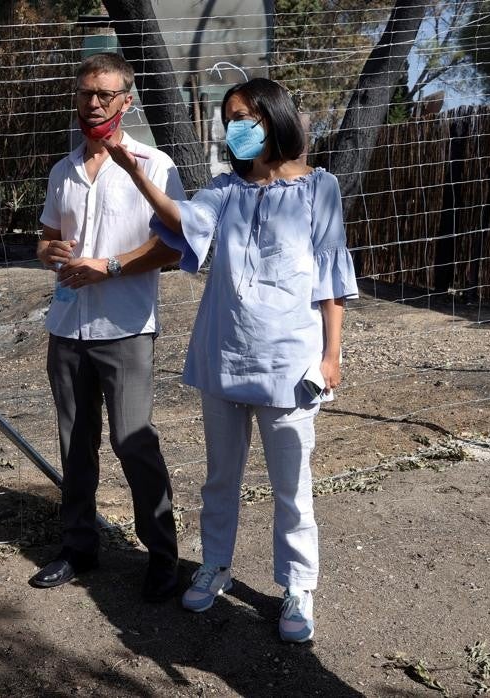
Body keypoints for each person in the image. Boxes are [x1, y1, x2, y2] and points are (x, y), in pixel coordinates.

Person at [105, 77, 358, 642]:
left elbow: (330, 277)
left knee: (292, 486)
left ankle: (297, 586)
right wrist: (136, 174)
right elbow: (180, 219)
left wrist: (332, 354)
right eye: (230, 119)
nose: (235, 127)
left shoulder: (321, 188)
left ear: (274, 118)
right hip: (225, 354)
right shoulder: (225, 189)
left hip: (291, 364)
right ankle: (215, 563)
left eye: (245, 116)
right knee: (221, 478)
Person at [29, 52, 187, 602]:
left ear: (127, 100)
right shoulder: (62, 170)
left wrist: (111, 265)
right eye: (84, 93)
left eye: (103, 94)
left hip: (125, 328)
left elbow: (174, 244)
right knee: (75, 443)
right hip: (67, 326)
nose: (92, 103)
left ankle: (163, 558)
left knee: (132, 440)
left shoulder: (155, 165)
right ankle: (79, 547)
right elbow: (46, 237)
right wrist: (48, 250)